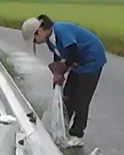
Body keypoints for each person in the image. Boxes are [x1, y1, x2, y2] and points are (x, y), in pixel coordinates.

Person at [21, 14, 107, 146]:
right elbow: (59, 54)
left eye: (35, 40)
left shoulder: (61, 31)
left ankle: (77, 134)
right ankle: (62, 128)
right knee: (67, 96)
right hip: (78, 64)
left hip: (91, 61)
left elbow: (74, 52)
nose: (36, 43)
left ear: (39, 32)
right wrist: (57, 71)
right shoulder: (50, 39)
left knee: (81, 99)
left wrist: (64, 68)